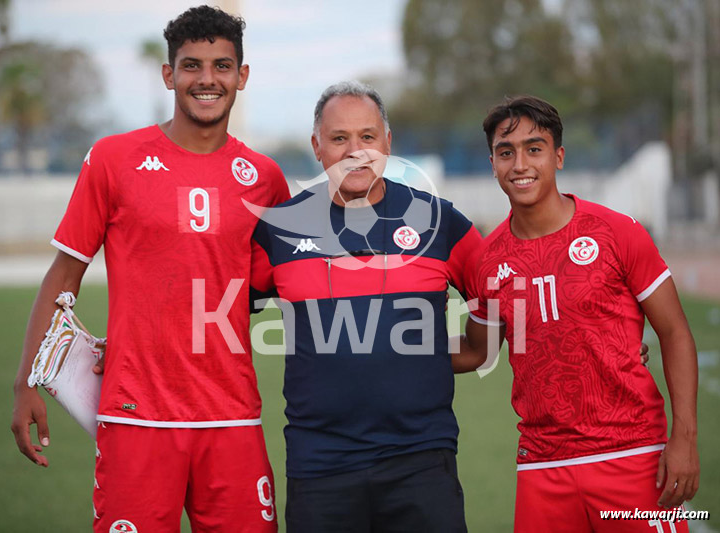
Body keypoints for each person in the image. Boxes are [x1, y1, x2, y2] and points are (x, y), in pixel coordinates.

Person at [11, 6, 289, 532]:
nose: (207, 79)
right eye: (192, 65)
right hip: (134, 414)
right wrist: (26, 382)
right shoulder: (114, 160)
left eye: (222, 65)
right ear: (169, 74)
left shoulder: (266, 179)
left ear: (242, 76)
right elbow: (62, 276)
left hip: (231, 417)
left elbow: (268, 284)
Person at [455, 95, 700, 532]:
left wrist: (683, 437)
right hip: (542, 464)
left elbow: (675, 332)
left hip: (631, 454)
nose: (520, 164)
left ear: (559, 156)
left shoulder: (616, 231)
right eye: (505, 152)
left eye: (535, 148)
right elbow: (478, 350)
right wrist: (393, 349)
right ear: (492, 163)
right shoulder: (487, 260)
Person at [250, 81, 482, 532]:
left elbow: (501, 293)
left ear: (388, 143)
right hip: (319, 467)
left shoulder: (441, 222)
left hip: (422, 462)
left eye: (368, 137)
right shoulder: (278, 230)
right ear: (317, 147)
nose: (356, 151)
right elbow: (211, 304)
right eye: (339, 138)